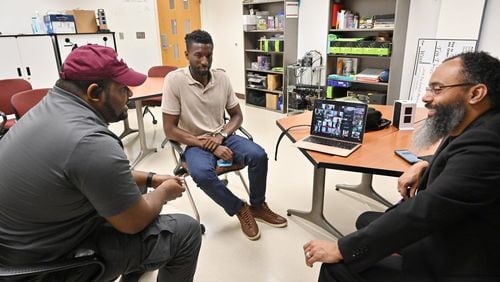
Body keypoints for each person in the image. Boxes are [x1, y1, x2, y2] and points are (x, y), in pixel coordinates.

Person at [0, 45, 202, 282]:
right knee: (186, 232)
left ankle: (137, 264)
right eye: (122, 89)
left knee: (136, 188)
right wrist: (163, 192)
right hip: (47, 268)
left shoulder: (47, 108)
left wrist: (150, 178)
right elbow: (133, 223)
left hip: (20, 246)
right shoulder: (90, 141)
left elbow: (91, 172)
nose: (129, 94)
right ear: (95, 93)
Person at [303, 51, 500, 281]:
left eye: (437, 89)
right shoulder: (479, 124)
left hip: (463, 258)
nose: (426, 98)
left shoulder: (489, 143)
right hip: (458, 228)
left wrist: (342, 249)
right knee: (366, 219)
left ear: (476, 93)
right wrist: (423, 165)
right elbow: (461, 164)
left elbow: (425, 211)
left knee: (337, 268)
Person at [162, 30, 287, 241]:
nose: (204, 61)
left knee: (259, 155)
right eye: (198, 55)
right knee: (201, 174)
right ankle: (240, 208)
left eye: (208, 55)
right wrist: (209, 145)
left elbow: (237, 116)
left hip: (223, 136)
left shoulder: (221, 77)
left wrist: (221, 136)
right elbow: (170, 129)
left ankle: (257, 205)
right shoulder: (174, 81)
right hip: (193, 143)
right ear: (187, 55)